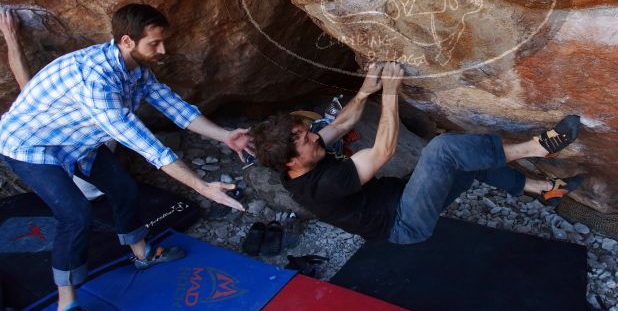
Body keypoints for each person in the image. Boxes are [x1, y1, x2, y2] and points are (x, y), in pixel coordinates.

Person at [0, 3, 251, 311]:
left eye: (163, 42)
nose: (163, 50)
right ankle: (66, 302)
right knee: (75, 215)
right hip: (30, 144)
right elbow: (148, 146)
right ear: (128, 41)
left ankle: (141, 252)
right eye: (155, 44)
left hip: (78, 139)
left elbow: (175, 107)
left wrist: (224, 135)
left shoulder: (135, 68)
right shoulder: (96, 80)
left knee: (123, 188)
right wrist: (201, 186)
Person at [249, 61, 585, 247]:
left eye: (305, 131)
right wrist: (392, 93)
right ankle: (537, 147)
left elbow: (341, 122)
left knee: (467, 164)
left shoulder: (298, 160)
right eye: (305, 139)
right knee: (442, 150)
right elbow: (384, 149)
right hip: (405, 223)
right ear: (293, 161)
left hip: (401, 197)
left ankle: (545, 191)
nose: (313, 135)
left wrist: (367, 88)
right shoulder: (322, 187)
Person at [1, 7, 104, 199]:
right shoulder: (102, 113)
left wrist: (11, 36)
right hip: (89, 189)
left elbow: (27, 88)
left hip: (76, 190)